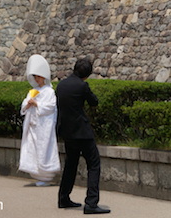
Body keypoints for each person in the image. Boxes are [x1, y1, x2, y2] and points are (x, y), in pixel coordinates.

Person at [56, 58, 110, 214]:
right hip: (82, 132)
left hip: (67, 132)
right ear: (87, 74)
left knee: (71, 164)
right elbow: (94, 102)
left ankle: (63, 198)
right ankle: (91, 203)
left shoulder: (61, 85)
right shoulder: (82, 86)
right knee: (94, 164)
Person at [19, 54, 60, 185]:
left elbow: (51, 106)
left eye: (38, 76)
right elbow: (24, 105)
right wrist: (28, 104)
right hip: (34, 125)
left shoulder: (49, 92)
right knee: (33, 148)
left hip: (44, 126)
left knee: (44, 148)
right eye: (35, 77)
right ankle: (37, 173)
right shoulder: (33, 91)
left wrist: (38, 104)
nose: (37, 79)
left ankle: (46, 174)